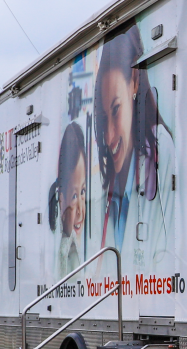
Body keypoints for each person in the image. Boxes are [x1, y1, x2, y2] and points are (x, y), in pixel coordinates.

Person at [93, 22, 175, 271]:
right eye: (104, 118)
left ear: (135, 83)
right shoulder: (107, 192)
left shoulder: (160, 148)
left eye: (116, 110)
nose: (108, 137)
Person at [48, 123, 87, 276]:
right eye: (74, 196)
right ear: (62, 201)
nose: (79, 211)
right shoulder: (63, 247)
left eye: (83, 192)